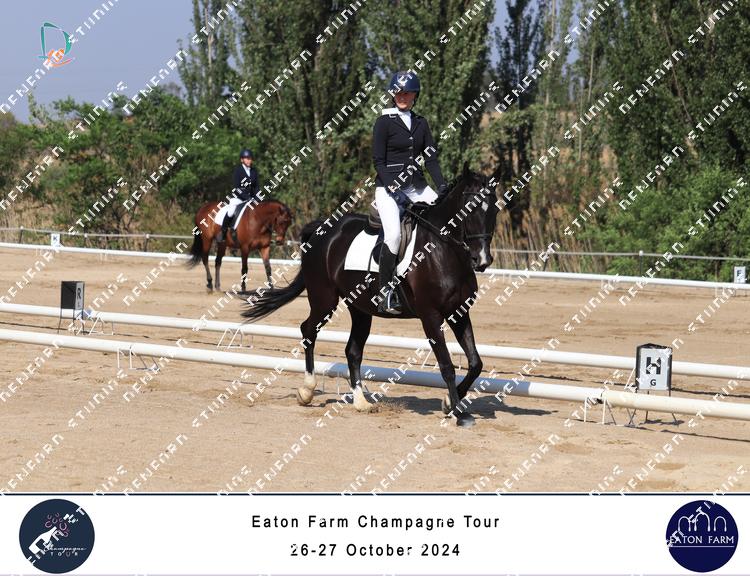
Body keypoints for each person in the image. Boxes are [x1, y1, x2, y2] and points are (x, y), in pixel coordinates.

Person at [372, 71, 449, 314]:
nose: (402, 97)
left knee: (447, 219)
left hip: (416, 187)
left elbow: (431, 159)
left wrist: (442, 186)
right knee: (394, 236)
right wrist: (393, 188)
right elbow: (378, 161)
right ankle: (386, 293)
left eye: (407, 93)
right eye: (398, 93)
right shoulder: (384, 122)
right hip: (388, 189)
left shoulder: (421, 123)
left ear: (415, 95)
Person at [216, 148, 260, 243]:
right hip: (238, 198)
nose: (249, 160)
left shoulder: (254, 171)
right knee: (231, 211)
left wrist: (257, 198)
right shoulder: (238, 170)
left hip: (251, 199)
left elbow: (256, 186)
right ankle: (223, 232)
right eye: (247, 158)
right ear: (242, 160)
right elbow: (236, 188)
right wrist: (247, 198)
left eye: (250, 158)